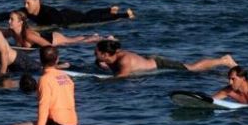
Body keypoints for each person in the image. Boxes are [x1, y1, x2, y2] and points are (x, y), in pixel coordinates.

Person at [4, 46, 79, 125]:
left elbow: (43, 108)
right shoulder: (67, 77)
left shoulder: (45, 79)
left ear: (40, 60)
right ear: (57, 59)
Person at [94, 40, 236, 78]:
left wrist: (99, 81)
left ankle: (223, 60)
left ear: (105, 54)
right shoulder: (107, 58)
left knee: (193, 69)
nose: (94, 54)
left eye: (96, 52)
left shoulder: (124, 60)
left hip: (160, 64)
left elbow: (122, 77)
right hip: (149, 61)